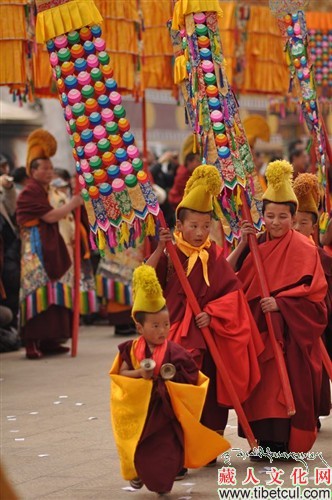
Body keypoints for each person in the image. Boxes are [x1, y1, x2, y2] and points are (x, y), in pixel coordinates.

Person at [147, 165, 263, 443]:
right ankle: (181, 439)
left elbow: (230, 289)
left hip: (207, 333)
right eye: (193, 226)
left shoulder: (210, 252)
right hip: (176, 331)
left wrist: (212, 314)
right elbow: (147, 277)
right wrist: (160, 249)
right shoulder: (172, 251)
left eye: (205, 226)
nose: (200, 232)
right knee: (177, 386)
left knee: (210, 385)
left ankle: (209, 439)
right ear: (179, 226)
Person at [227, 160, 328, 454]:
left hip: (290, 336)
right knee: (261, 390)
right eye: (270, 215)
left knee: (288, 389)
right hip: (258, 330)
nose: (275, 222)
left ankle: (286, 443)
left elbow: (317, 301)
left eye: (283, 216)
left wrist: (282, 304)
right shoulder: (255, 245)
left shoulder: (305, 248)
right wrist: (241, 243)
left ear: (293, 217)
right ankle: (262, 443)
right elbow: (227, 278)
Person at [110, 264, 230, 494]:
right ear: (139, 327)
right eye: (155, 326)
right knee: (142, 446)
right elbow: (121, 375)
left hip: (167, 412)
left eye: (166, 324)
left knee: (167, 448)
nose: (162, 331)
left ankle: (164, 478)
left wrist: (174, 379)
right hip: (142, 413)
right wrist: (141, 374)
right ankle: (139, 473)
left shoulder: (175, 351)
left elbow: (193, 376)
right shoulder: (130, 349)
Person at [16, 129, 82, 359]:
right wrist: (74, 203)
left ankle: (51, 340)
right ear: (32, 171)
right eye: (43, 168)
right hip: (34, 249)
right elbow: (51, 217)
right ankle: (32, 341)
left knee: (55, 290)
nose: (48, 172)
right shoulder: (28, 193)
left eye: (50, 168)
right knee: (36, 288)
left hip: (53, 245)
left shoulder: (49, 191)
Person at [293, 173, 331, 422]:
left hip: (317, 319)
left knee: (316, 365)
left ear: (314, 225)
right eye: (294, 222)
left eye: (304, 223)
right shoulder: (281, 249)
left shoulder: (321, 256)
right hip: (292, 318)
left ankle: (314, 413)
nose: (298, 228)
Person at [168, 135, 201, 212]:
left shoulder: (193, 172)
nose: (200, 163)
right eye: (198, 160)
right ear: (189, 161)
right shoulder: (183, 174)